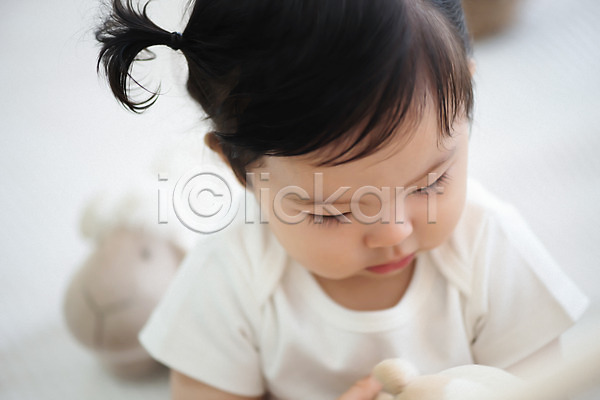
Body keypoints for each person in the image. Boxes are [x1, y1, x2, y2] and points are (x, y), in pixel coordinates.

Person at [95, 0, 589, 399]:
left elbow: (544, 389)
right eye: (331, 212)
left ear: (468, 95)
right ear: (239, 170)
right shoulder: (232, 275)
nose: (393, 232)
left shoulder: (490, 249)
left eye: (429, 184)